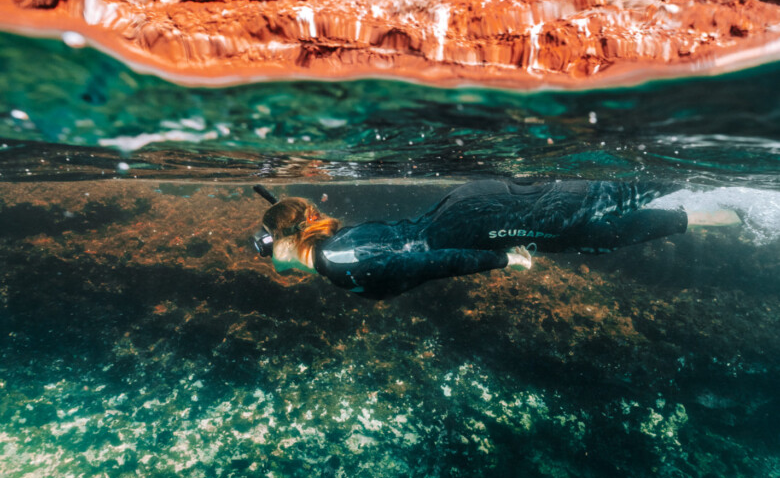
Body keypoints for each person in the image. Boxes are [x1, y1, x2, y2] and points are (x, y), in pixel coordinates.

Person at [252, 177, 687, 300]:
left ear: (291, 237)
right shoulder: (335, 249)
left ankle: (683, 172)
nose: (265, 252)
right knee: (596, 234)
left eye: (268, 241)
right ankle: (703, 209)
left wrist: (504, 263)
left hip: (482, 220)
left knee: (607, 200)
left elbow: (427, 263)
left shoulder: (338, 261)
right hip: (472, 215)